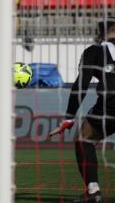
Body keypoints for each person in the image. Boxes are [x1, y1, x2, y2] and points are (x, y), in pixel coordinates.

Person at [48, 19, 115, 203]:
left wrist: (69, 118)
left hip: (110, 107)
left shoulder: (94, 51)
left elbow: (81, 86)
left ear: (100, 35)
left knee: (83, 139)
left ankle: (93, 190)